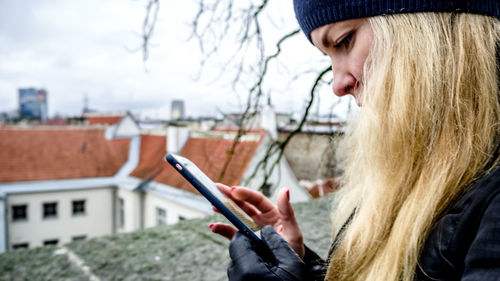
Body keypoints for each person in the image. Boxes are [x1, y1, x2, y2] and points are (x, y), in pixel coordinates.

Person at [209, 1, 500, 280]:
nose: (338, 84)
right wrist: (300, 268)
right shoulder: (429, 163)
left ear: (425, 26)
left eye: (344, 41)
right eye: (329, 57)